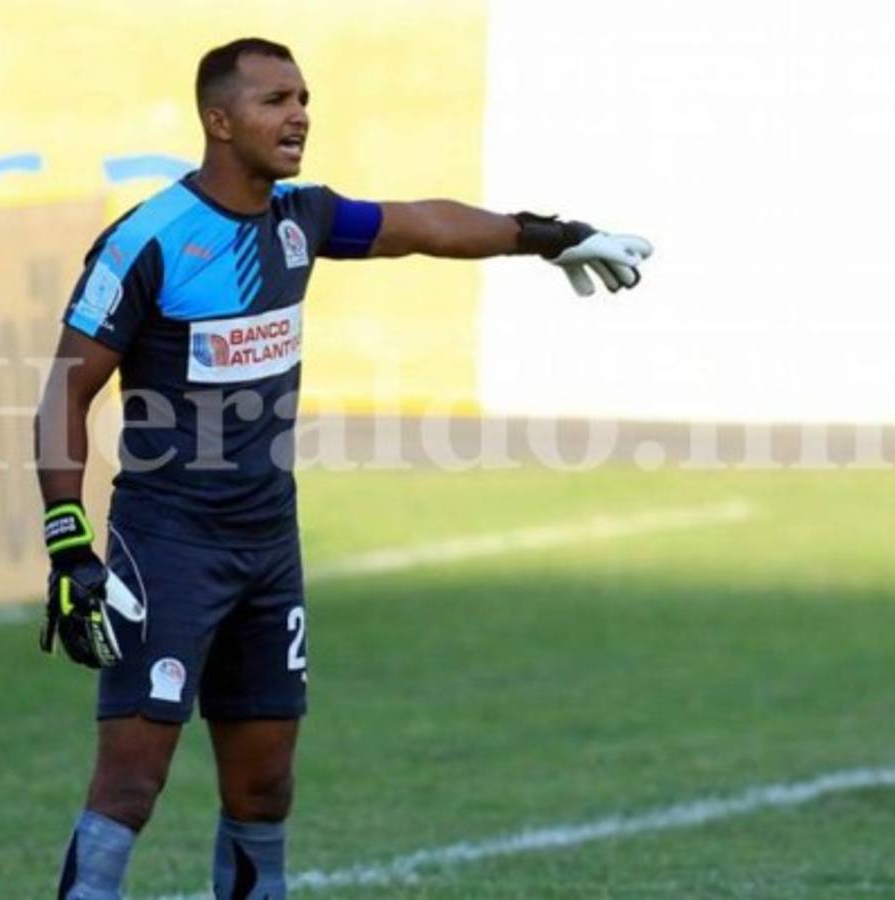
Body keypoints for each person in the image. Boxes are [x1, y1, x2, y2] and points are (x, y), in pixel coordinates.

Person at [34, 36, 652, 900]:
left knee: (263, 789)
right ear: (219, 120)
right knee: (130, 790)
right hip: (166, 548)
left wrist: (550, 236)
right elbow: (65, 394)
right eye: (274, 101)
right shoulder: (151, 240)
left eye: (303, 98)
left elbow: (423, 224)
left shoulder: (302, 219)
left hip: (266, 549)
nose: (297, 117)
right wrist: (70, 548)